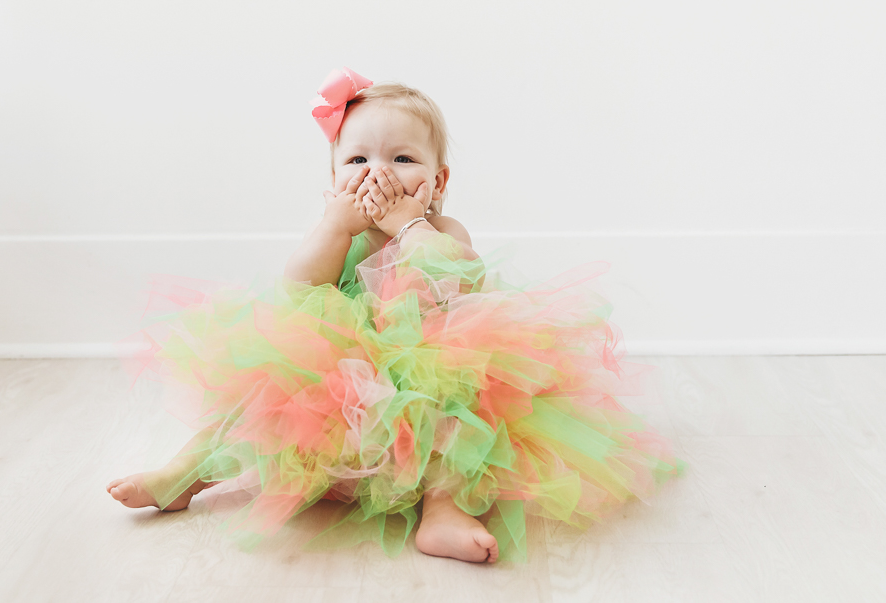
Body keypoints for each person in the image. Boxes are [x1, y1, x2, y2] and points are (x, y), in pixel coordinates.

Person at [107, 68, 681, 564]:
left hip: (428, 379)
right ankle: (185, 474)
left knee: (466, 401)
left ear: (438, 181)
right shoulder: (339, 233)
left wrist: (408, 225)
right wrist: (336, 226)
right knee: (263, 387)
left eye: (402, 159)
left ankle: (444, 509)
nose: (377, 174)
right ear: (334, 180)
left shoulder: (441, 232)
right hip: (342, 385)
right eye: (357, 160)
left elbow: (459, 276)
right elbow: (299, 289)